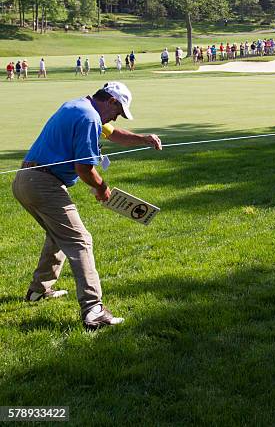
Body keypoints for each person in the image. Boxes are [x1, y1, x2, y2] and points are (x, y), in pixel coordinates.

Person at [13, 82, 163, 330]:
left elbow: (112, 133)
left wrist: (143, 139)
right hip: (43, 183)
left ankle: (39, 290)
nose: (117, 116)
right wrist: (103, 189)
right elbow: (83, 168)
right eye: (118, 110)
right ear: (111, 101)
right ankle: (94, 310)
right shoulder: (89, 117)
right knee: (80, 240)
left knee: (58, 235)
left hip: (24, 180)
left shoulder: (79, 106)